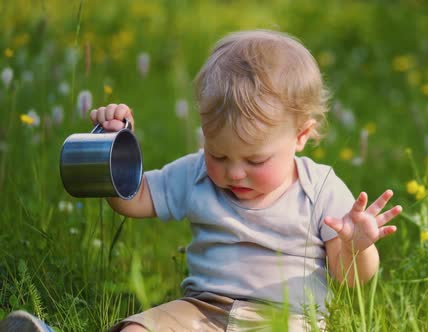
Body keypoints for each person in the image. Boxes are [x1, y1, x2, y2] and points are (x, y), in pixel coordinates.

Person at [0, 29, 402, 332]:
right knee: (138, 329)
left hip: (285, 319)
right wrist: (113, 147)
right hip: (202, 310)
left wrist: (355, 244)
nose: (233, 171)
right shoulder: (196, 173)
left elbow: (352, 278)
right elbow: (134, 199)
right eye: (219, 154)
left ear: (301, 136)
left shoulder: (320, 190)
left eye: (255, 159)